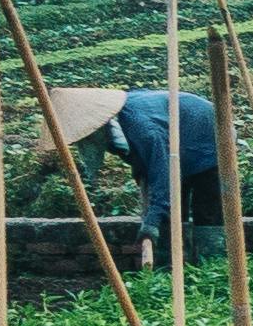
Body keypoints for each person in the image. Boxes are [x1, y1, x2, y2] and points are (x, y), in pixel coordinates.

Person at [52, 81, 230, 267]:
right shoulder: (113, 130)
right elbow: (142, 162)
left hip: (210, 138)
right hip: (175, 144)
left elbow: (163, 173)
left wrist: (151, 221)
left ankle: (211, 268)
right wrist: (146, 189)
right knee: (171, 213)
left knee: (207, 211)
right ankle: (171, 270)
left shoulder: (142, 127)